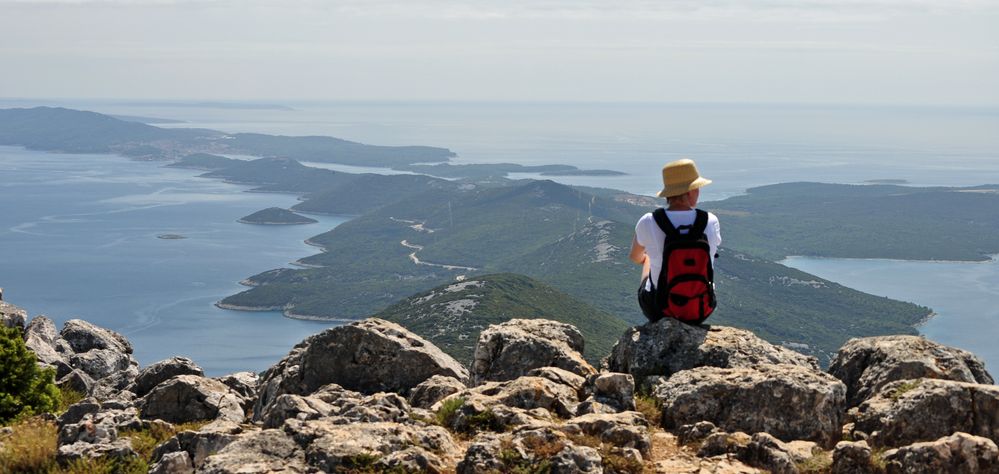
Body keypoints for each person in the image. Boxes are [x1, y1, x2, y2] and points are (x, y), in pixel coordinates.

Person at [629, 158, 721, 322]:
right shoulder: (710, 220)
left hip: (659, 309)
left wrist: (648, 259)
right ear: (689, 192)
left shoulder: (649, 221)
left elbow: (635, 257)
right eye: (697, 188)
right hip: (700, 307)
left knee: (649, 258)